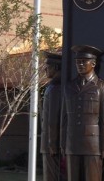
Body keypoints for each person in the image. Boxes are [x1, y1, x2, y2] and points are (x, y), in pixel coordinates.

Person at [61, 45, 104, 181]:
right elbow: (64, 117)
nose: (80, 64)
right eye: (78, 62)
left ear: (93, 63)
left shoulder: (103, 87)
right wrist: (63, 143)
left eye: (84, 61)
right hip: (72, 143)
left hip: (93, 143)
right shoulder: (69, 86)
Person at [40, 51, 65, 181]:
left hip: (53, 146)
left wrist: (52, 144)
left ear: (56, 67)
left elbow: (53, 120)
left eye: (47, 66)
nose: (45, 69)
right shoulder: (54, 86)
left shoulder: (56, 88)